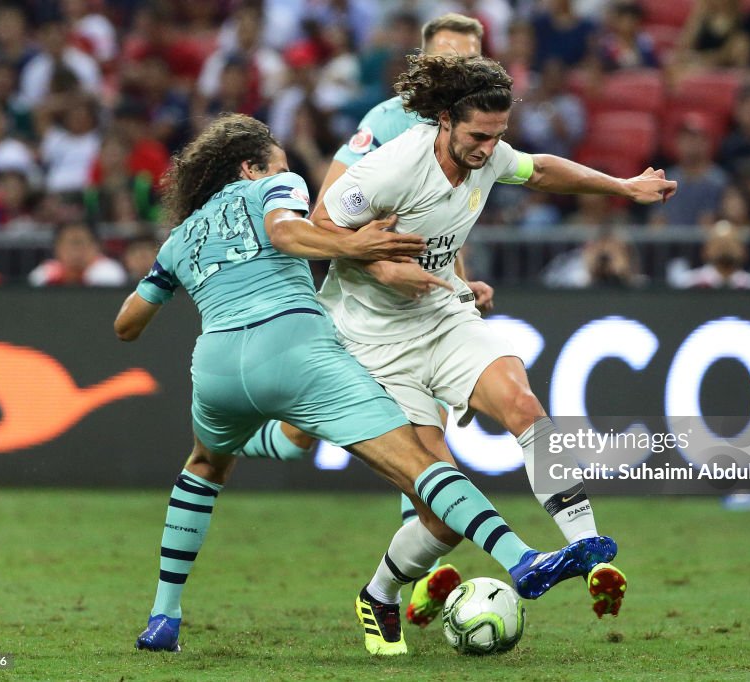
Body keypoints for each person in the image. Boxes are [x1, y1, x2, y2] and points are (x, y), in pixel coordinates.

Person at [117, 113, 619, 656]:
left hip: (215, 369)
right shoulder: (276, 186)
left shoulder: (181, 236)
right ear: (251, 167)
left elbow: (127, 324)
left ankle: (163, 617)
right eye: (279, 161)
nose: (288, 170)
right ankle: (522, 558)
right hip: (296, 350)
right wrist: (361, 249)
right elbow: (287, 232)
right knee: (423, 468)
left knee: (205, 466)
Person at [263, 53, 674, 629]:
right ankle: (378, 593)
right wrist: (382, 268)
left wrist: (622, 187)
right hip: (375, 342)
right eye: (478, 136)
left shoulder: (489, 153)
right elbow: (317, 226)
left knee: (524, 405)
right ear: (446, 122)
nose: (487, 149)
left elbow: (542, 169)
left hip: (444, 314)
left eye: (497, 136)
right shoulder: (393, 168)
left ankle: (587, 547)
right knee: (443, 511)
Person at [28, 221, 126, 286]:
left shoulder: (108, 270)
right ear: (57, 248)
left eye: (80, 243)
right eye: (70, 244)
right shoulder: (46, 273)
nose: (75, 251)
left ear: (96, 246)